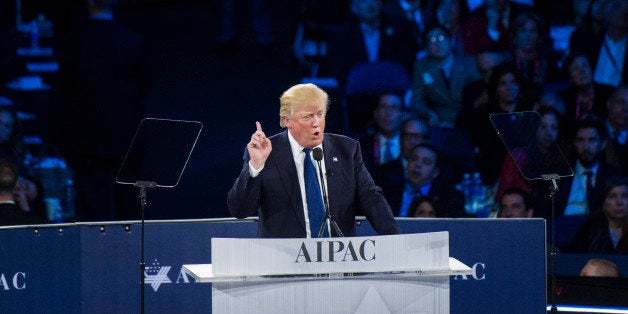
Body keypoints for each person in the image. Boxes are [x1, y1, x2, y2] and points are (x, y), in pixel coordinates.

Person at [227, 83, 401, 238]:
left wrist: (396, 241)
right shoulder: (267, 152)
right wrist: (255, 167)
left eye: (320, 114)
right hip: (284, 265)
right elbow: (240, 210)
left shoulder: (347, 150)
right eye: (307, 116)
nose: (316, 123)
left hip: (338, 260)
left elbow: (371, 198)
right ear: (287, 121)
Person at [54, 0, 149, 221]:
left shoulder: (73, 40)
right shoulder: (132, 39)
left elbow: (64, 87)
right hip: (127, 131)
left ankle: (94, 250)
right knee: (130, 199)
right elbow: (144, 85)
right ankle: (134, 249)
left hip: (86, 131)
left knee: (92, 200)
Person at [409, 25, 480, 127]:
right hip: (440, 120)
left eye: (441, 38)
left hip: (470, 117)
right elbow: (416, 100)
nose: (437, 43)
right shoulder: (421, 66)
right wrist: (429, 113)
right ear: (427, 48)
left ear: (451, 41)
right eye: (432, 40)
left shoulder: (470, 62)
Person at [555, 115, 620, 217]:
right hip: (563, 227)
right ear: (575, 144)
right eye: (580, 140)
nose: (586, 147)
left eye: (592, 140)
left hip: (596, 230)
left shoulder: (613, 175)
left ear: (602, 144)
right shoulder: (559, 174)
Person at [379, 143, 464, 217]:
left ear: (435, 172)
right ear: (406, 165)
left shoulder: (449, 198)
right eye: (414, 159)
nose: (418, 165)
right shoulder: (386, 191)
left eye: (426, 162)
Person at [569, 176, 627, 253]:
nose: (619, 202)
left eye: (625, 196)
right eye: (612, 197)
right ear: (603, 203)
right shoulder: (588, 230)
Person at [359, 91, 406, 171]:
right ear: (375, 114)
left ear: (403, 114)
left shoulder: (411, 146)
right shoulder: (360, 146)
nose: (388, 113)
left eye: (394, 107)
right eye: (383, 107)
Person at [0, 158, 47, 226]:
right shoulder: (41, 226)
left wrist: (26, 211)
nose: (21, 193)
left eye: (27, 198)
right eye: (25, 186)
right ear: (16, 182)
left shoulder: (39, 225)